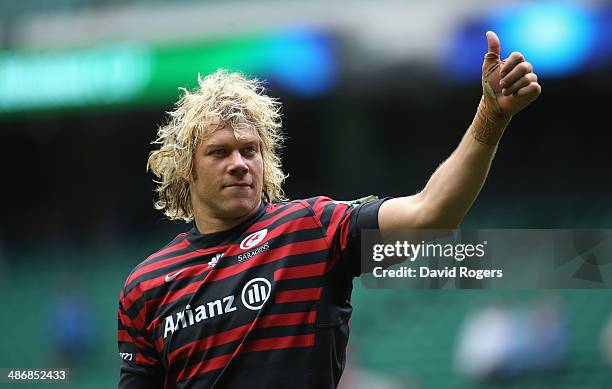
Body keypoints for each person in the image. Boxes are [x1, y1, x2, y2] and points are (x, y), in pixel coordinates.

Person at [117, 31, 541, 388]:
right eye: (219, 152)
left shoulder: (312, 229)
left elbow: (430, 215)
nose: (240, 163)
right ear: (186, 169)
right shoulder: (147, 286)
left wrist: (490, 116)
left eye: (251, 150)